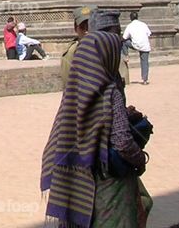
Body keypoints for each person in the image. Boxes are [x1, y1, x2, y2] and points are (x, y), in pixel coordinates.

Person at [41, 31, 152, 228]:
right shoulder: (109, 93)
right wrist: (140, 159)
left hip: (76, 183)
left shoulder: (73, 94)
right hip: (107, 185)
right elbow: (122, 142)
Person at [60, 6, 92, 84]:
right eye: (82, 27)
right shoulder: (72, 52)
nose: (86, 31)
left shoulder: (104, 47)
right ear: (75, 29)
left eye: (90, 26)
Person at [122, 11, 152, 85]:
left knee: (123, 42)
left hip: (135, 44)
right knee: (144, 62)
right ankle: (145, 80)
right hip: (145, 45)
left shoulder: (130, 26)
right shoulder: (143, 24)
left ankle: (126, 55)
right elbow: (149, 34)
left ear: (130, 18)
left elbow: (124, 37)